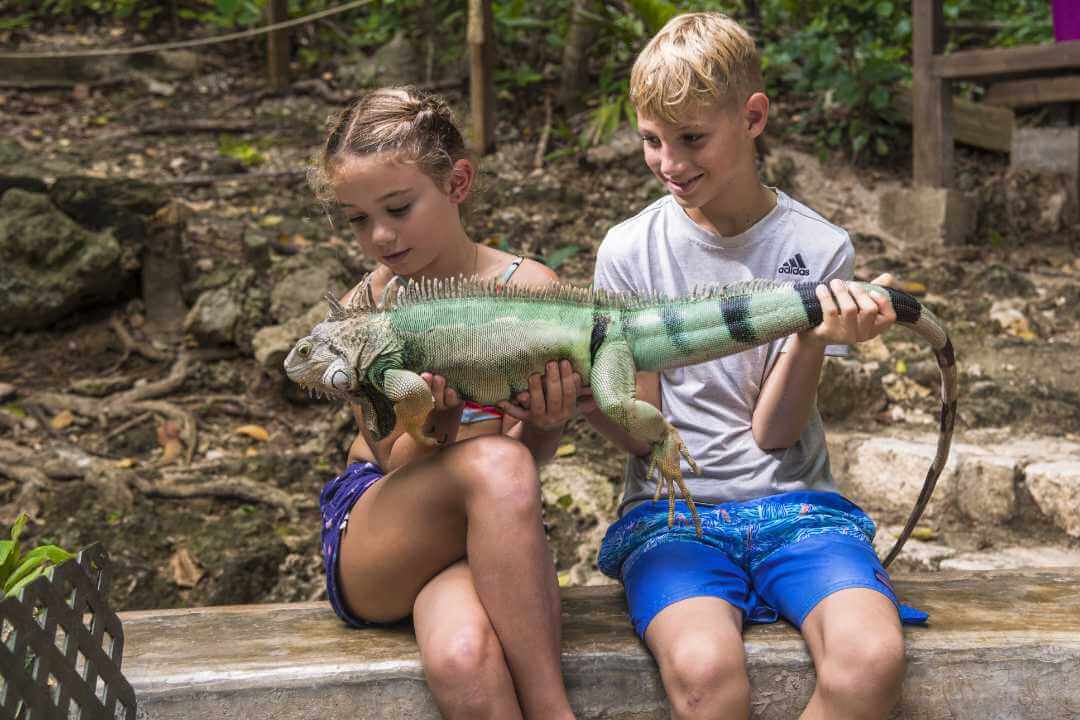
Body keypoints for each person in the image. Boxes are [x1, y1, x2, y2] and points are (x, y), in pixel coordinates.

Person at [585, 12, 925, 720]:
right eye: (651, 140)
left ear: (753, 117)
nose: (670, 164)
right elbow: (643, 437)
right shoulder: (629, 250)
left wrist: (810, 335)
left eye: (691, 139)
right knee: (706, 675)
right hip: (673, 513)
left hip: (797, 506)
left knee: (871, 659)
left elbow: (773, 436)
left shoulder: (818, 246)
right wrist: (589, 395)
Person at [308, 86, 581, 720]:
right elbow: (396, 459)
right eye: (356, 219)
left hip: (485, 528)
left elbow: (524, 467)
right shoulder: (366, 311)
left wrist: (549, 422)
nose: (378, 235)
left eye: (398, 208)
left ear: (457, 182)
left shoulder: (528, 290)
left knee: (463, 657)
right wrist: (442, 421)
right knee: (494, 462)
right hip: (386, 525)